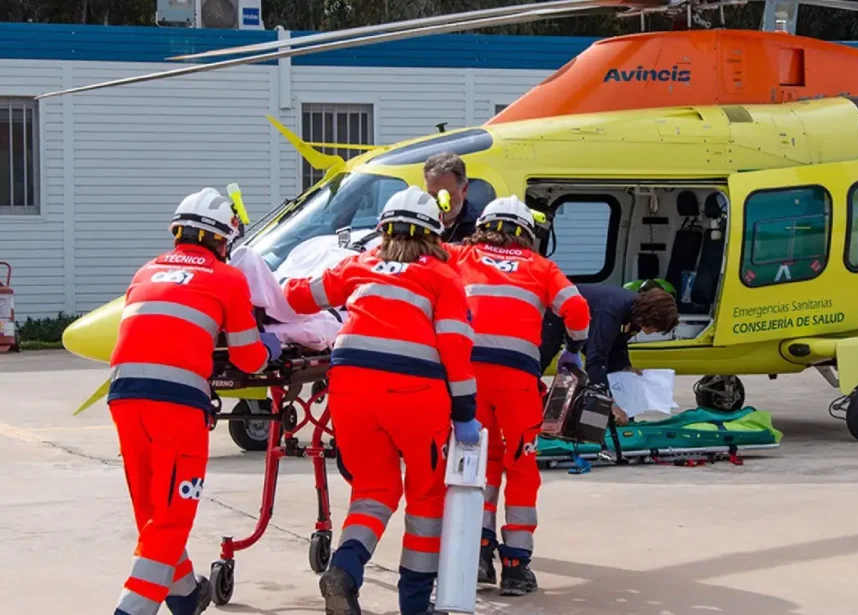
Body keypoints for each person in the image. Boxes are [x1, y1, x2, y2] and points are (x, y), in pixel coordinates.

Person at [283, 186, 479, 615]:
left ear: (383, 230)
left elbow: (297, 296)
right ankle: (413, 604)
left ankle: (346, 570)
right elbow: (456, 350)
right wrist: (465, 412)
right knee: (426, 498)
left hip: (349, 388)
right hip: (415, 394)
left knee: (373, 490)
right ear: (434, 234)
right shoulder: (443, 278)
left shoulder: (362, 263)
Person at [108, 187, 282, 615]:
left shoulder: (146, 271)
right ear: (223, 241)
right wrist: (270, 347)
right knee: (173, 513)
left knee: (152, 505)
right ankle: (131, 608)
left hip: (124, 396)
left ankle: (185, 593)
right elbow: (247, 357)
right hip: (178, 404)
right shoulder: (226, 277)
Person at [445, 196, 590, 597]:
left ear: (484, 225)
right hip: (517, 382)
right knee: (521, 465)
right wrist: (573, 349)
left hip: (467, 378)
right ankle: (515, 566)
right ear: (527, 233)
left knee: (479, 463)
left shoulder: (458, 254)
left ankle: (477, 553)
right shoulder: (542, 267)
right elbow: (576, 309)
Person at [539, 283, 679, 391]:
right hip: (554, 313)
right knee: (541, 358)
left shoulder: (636, 314)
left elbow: (617, 344)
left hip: (585, 320)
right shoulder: (611, 312)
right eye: (653, 327)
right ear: (648, 316)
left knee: (617, 372)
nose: (651, 332)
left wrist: (625, 367)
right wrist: (606, 401)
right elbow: (596, 358)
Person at [423, 151, 481, 243]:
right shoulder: (418, 224)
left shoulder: (479, 228)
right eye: (433, 195)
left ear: (464, 189)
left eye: (446, 195)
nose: (440, 203)